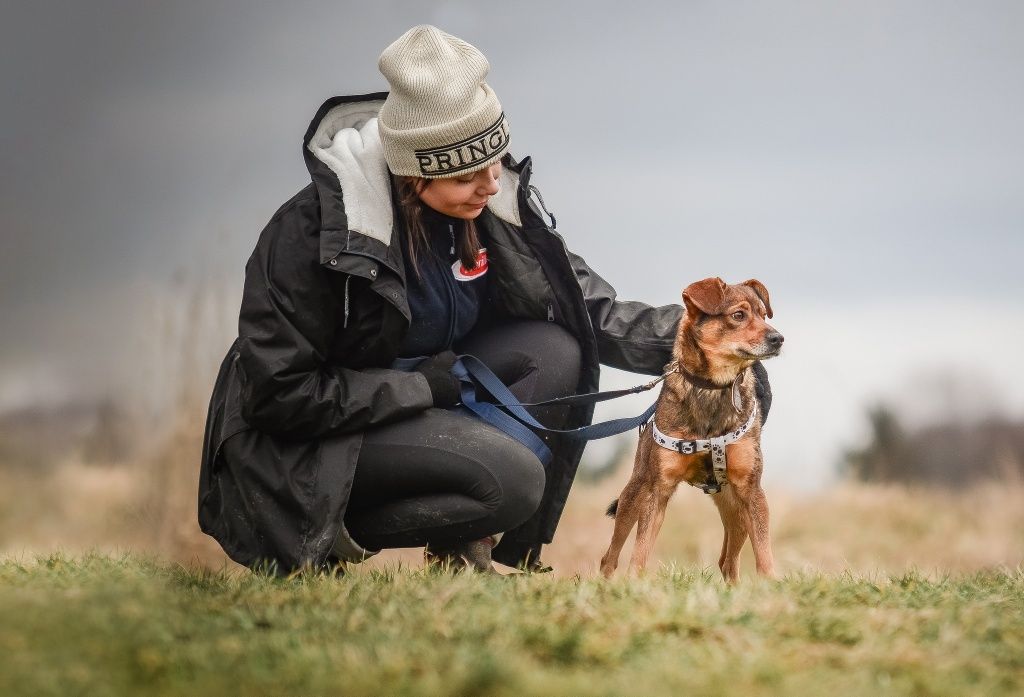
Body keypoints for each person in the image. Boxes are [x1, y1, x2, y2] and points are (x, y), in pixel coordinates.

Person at [198, 25, 770, 575]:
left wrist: (710, 344)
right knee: (515, 481)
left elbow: (586, 309)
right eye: (469, 172)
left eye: (495, 159)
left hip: (419, 400)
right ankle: (322, 538)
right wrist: (420, 386)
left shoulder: (485, 209)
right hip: (309, 442)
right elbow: (281, 395)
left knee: (556, 348)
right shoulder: (311, 234)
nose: (493, 183)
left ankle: (461, 551)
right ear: (413, 172)